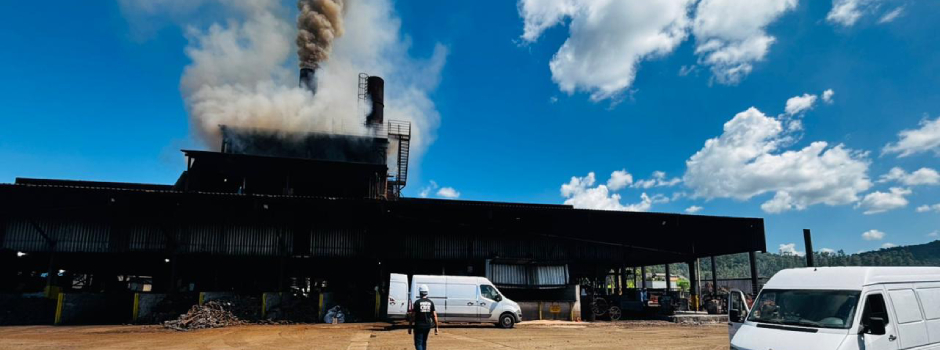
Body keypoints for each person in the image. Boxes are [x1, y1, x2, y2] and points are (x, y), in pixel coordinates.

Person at [408, 284, 439, 350]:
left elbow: (413, 316)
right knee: (424, 342)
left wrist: (410, 326)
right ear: (427, 292)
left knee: (418, 343)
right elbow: (434, 315)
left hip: (419, 325)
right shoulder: (431, 302)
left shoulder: (417, 302)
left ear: (420, 293)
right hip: (427, 325)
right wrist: (436, 327)